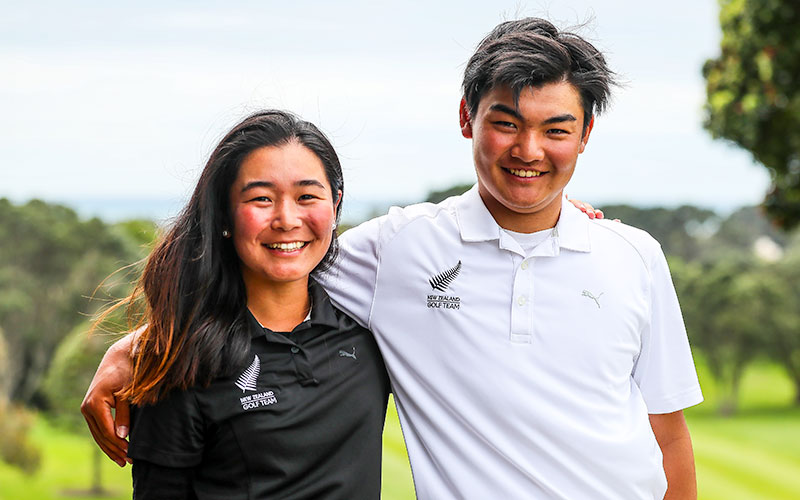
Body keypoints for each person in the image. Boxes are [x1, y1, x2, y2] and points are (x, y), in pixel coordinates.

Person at [83, 17, 702, 500]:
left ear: (585, 134)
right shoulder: (399, 250)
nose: (529, 150)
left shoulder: (634, 257)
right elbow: (280, 264)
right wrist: (140, 344)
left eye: (557, 130)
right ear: (467, 117)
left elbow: (667, 435)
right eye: (506, 123)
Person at [98, 109, 391, 498]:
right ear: (223, 212)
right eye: (261, 199)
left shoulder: (371, 326)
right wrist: (145, 345)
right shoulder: (183, 363)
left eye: (307, 196)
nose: (287, 219)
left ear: (335, 206)